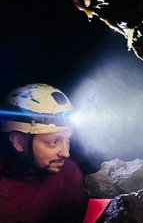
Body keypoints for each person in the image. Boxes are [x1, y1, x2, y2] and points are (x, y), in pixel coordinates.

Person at [0, 83, 89, 223]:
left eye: (68, 140)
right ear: (18, 142)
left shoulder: (69, 175)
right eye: (53, 142)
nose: (66, 153)